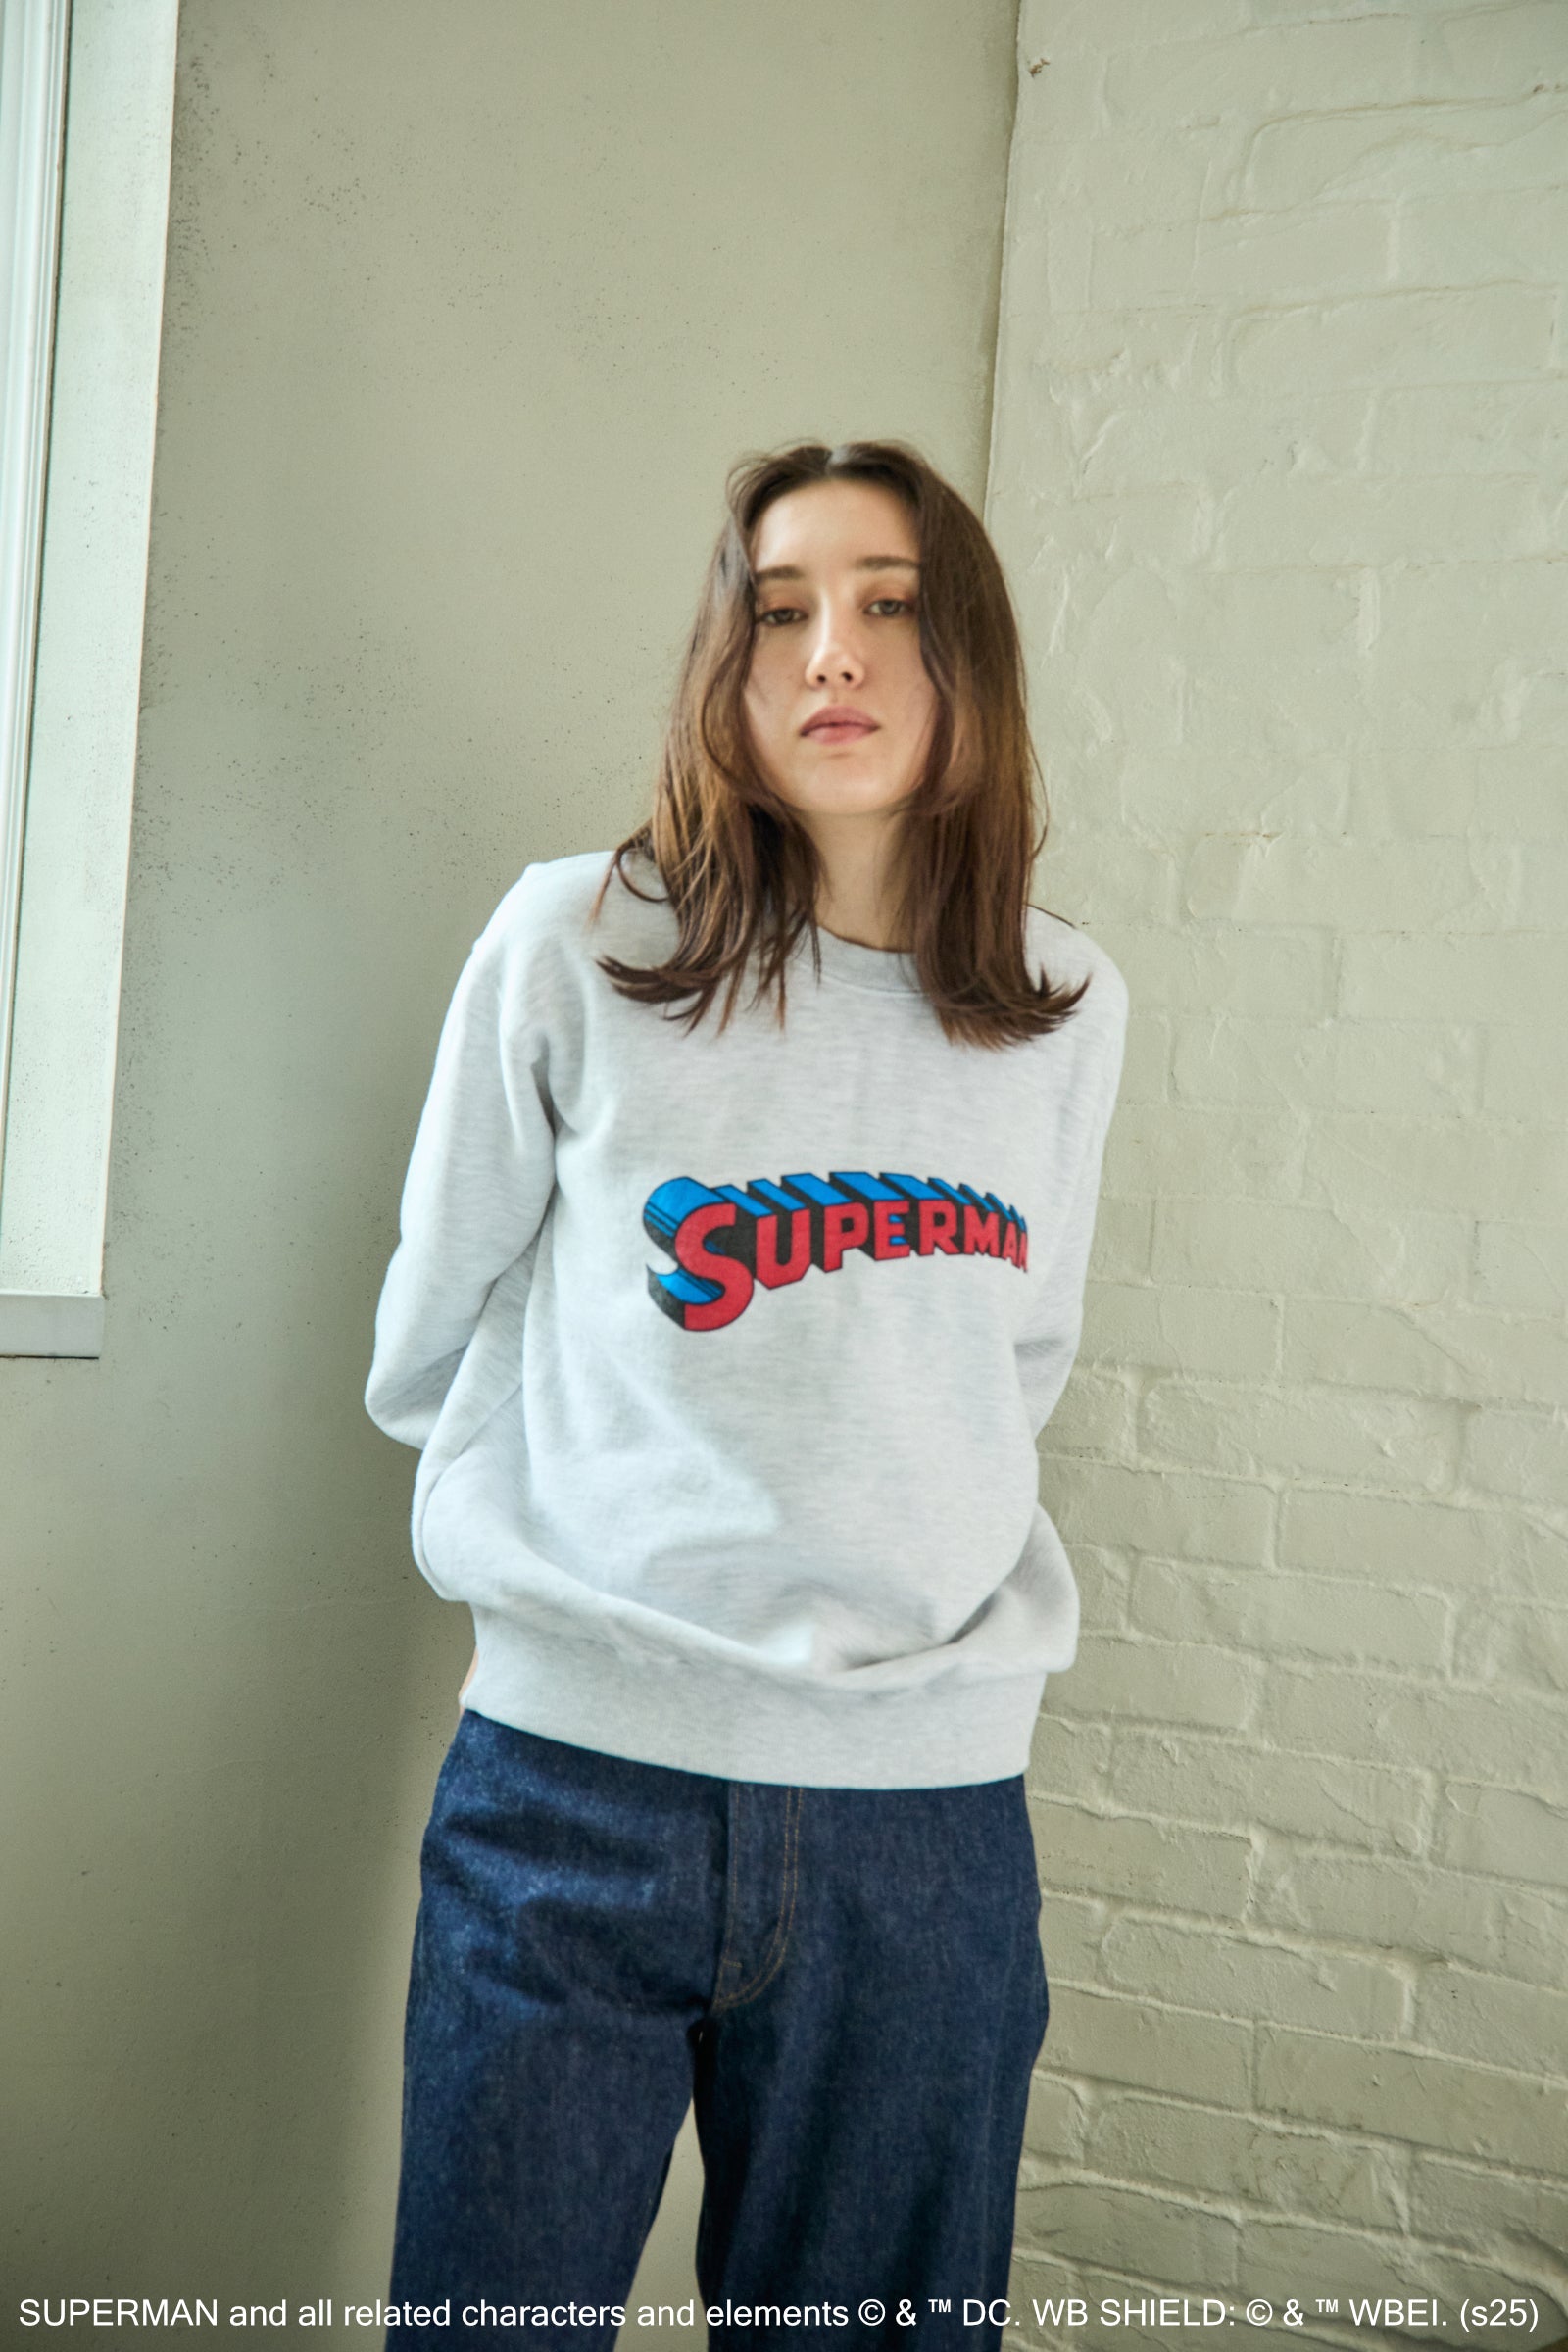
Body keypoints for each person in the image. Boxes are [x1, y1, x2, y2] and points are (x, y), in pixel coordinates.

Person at [365, 438, 1128, 2351]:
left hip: (923, 1825)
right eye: (779, 612)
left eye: (887, 605)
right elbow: (435, 1328)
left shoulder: (1060, 1005)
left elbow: (1018, 1361)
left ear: (969, 656)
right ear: (728, 665)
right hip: (571, 1794)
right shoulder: (578, 942)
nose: (829, 654)